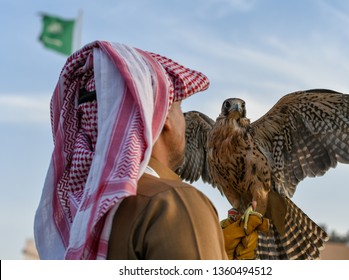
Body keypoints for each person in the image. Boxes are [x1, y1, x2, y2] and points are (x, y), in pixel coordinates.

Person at [34, 40, 267, 260]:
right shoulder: (173, 205)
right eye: (179, 107)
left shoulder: (76, 214)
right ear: (164, 115)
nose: (184, 121)